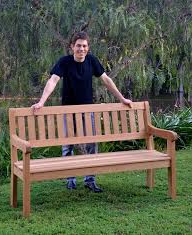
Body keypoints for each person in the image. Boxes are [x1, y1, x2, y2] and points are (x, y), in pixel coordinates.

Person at [31, 31, 132, 193]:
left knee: (92, 145)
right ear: (72, 47)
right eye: (78, 45)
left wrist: (122, 99)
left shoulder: (92, 61)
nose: (81, 49)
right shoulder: (64, 62)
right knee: (68, 146)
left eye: (84, 46)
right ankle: (70, 178)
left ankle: (90, 180)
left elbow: (106, 80)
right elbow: (53, 81)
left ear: (88, 48)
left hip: (87, 110)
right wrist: (42, 102)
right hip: (69, 111)